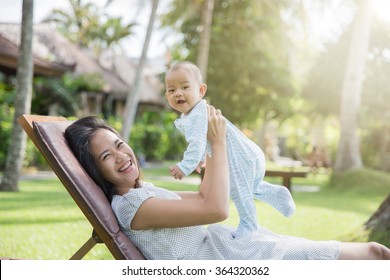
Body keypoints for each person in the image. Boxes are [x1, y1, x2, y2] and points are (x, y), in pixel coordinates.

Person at [64, 111, 390, 260]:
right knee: (375, 254)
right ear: (97, 171)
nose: (122, 156)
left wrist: (210, 152)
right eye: (107, 156)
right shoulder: (134, 207)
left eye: (120, 144)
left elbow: (206, 195)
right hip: (234, 261)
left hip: (240, 249)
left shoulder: (141, 194)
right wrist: (217, 145)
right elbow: (217, 209)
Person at [164, 61, 295, 237]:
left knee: (239, 190)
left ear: (201, 91)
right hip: (249, 154)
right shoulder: (195, 113)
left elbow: (196, 144)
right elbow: (203, 140)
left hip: (242, 157)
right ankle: (278, 194)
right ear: (167, 95)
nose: (178, 93)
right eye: (171, 90)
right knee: (250, 187)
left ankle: (249, 225)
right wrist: (202, 159)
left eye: (185, 87)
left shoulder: (197, 114)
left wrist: (184, 166)